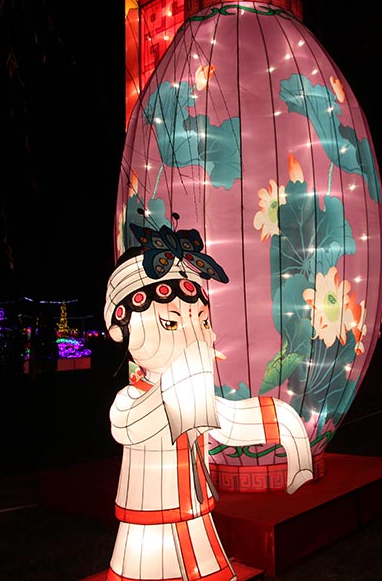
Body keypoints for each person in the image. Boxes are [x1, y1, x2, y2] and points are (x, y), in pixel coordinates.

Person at [102, 219, 313, 581]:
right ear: (122, 328)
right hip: (147, 515)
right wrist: (180, 384)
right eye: (171, 323)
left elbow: (232, 421)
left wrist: (292, 437)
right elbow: (130, 425)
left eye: (201, 320)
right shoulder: (131, 399)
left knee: (207, 569)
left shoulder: (193, 386)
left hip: (197, 513)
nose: (198, 335)